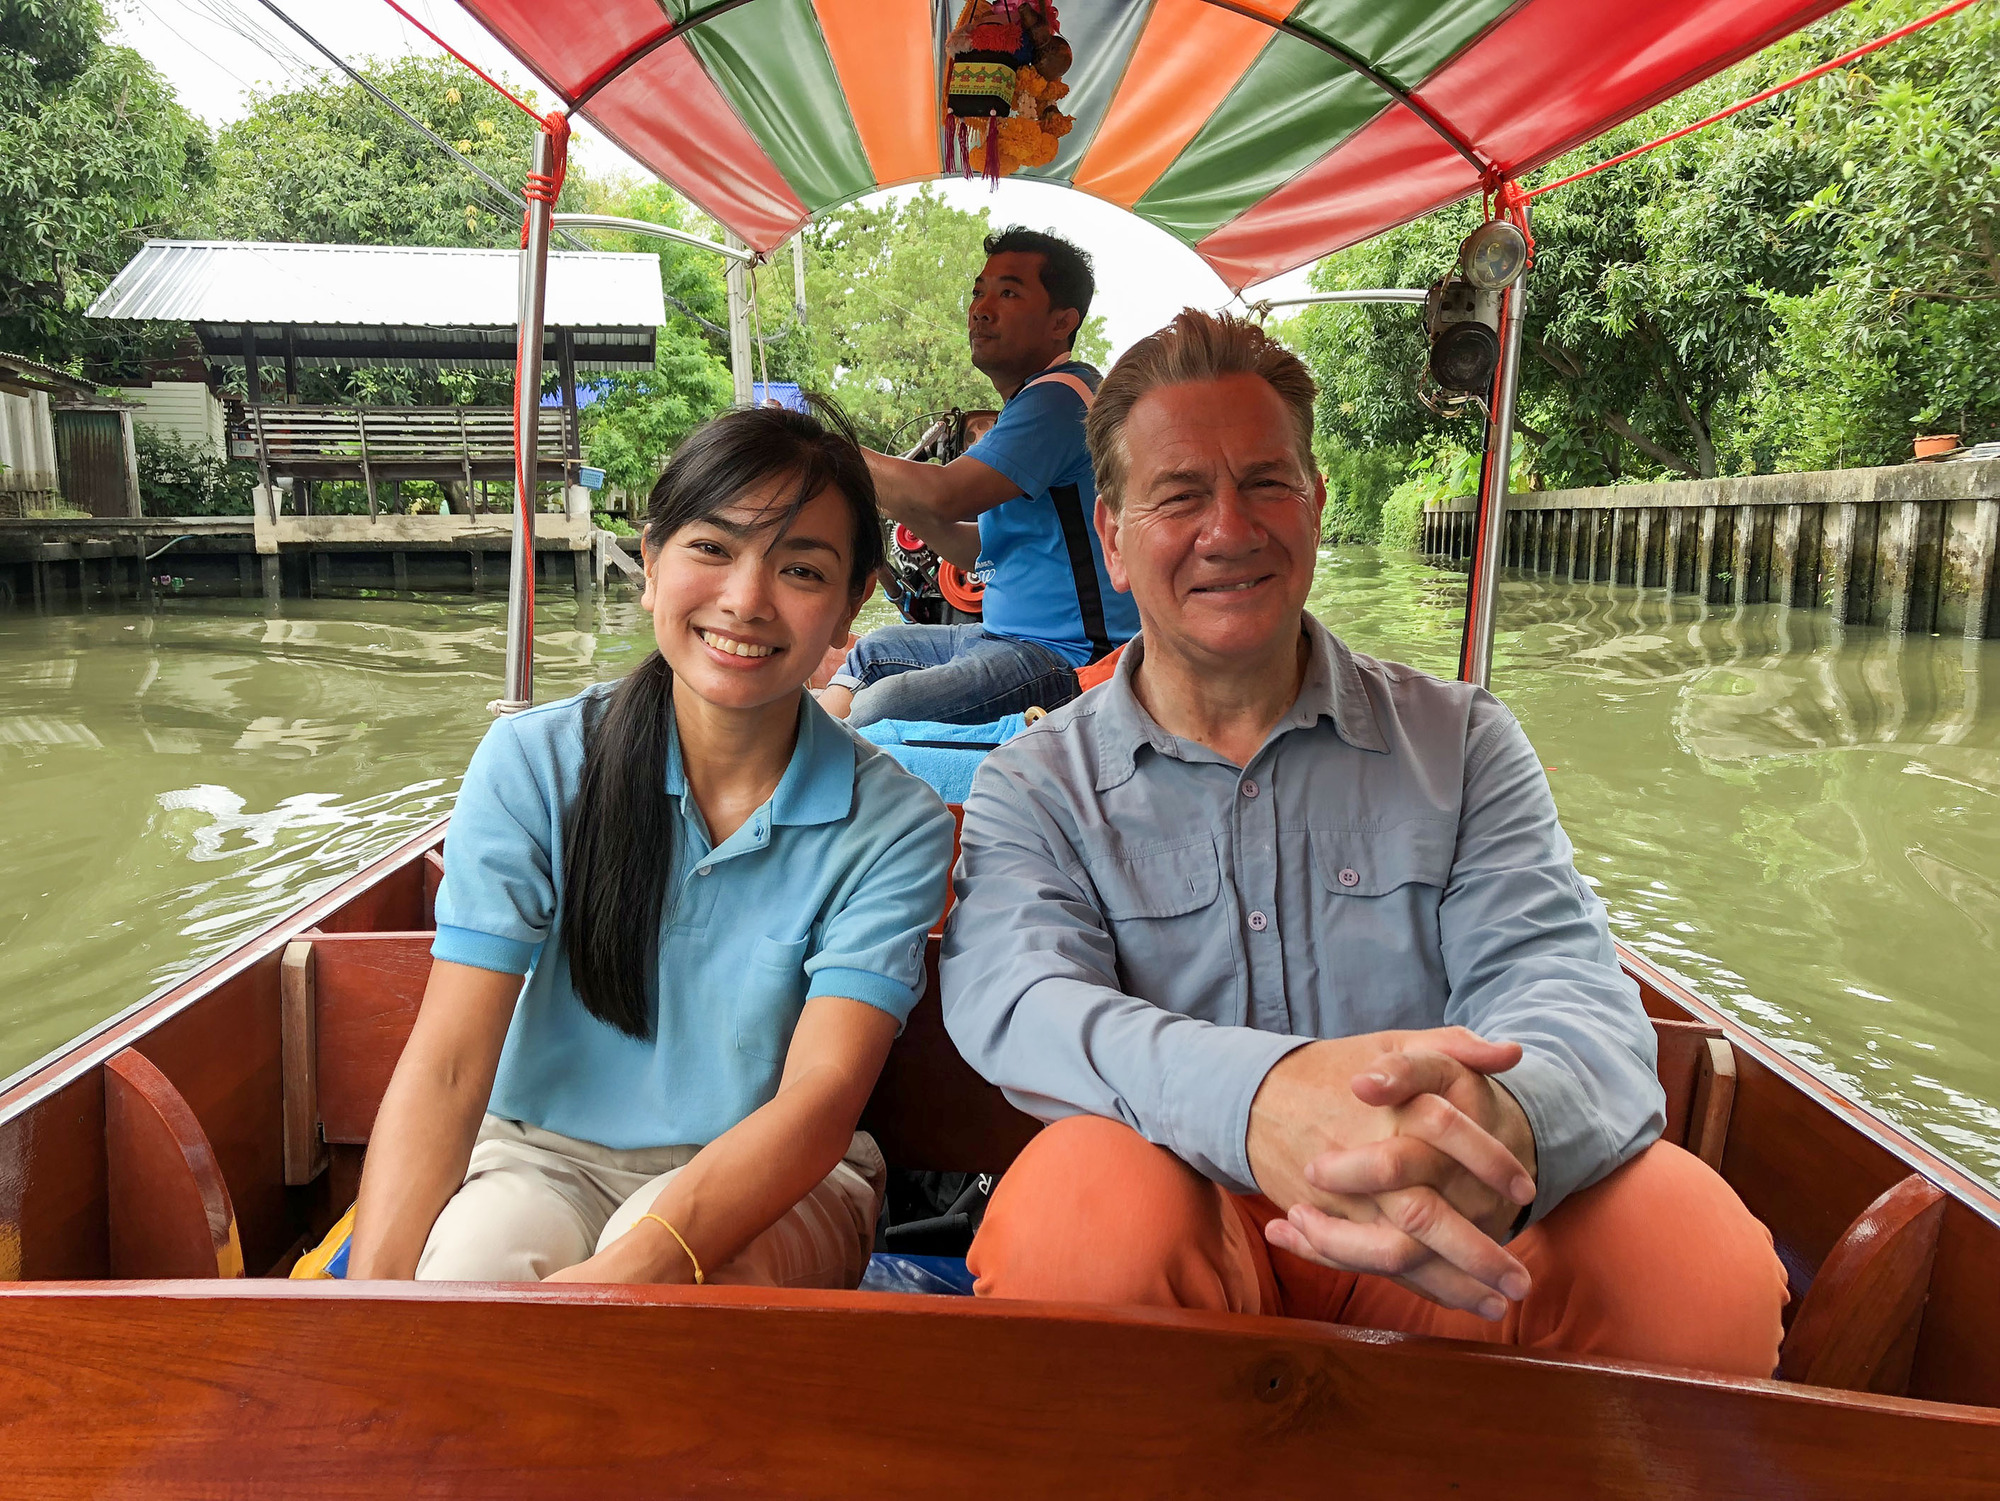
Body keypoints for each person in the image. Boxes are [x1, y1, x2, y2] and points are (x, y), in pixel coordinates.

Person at [939, 311, 1789, 1374]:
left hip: (1444, 1229)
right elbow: (1017, 1002)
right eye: (1177, 495)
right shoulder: (1037, 780)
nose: (1228, 529)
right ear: (1110, 538)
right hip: (1190, 1225)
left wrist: (1506, 1123)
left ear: (1316, 502)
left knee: (1683, 1251)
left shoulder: (1461, 740)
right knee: (1078, 1212)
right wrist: (1257, 1100)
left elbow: (1563, 986)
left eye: (1263, 482)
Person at [346, 403, 956, 1287]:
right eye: (712, 548)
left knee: (672, 1309)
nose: (746, 599)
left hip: (782, 1178)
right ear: (652, 561)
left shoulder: (894, 824)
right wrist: (373, 1319)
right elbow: (447, 1066)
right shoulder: (538, 763)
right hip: (538, 1155)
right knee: (475, 1267)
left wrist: (622, 1276)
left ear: (849, 606)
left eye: (799, 568)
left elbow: (819, 1100)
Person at [817, 228, 1138, 728]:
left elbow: (945, 497)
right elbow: (975, 550)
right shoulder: (1030, 404)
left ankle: (820, 769)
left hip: (1070, 658)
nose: (981, 309)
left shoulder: (1061, 397)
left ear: (1062, 321)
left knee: (883, 706)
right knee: (873, 652)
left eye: (1008, 293)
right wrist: (901, 503)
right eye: (979, 292)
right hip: (1005, 637)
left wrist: (816, 449)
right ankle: (805, 764)